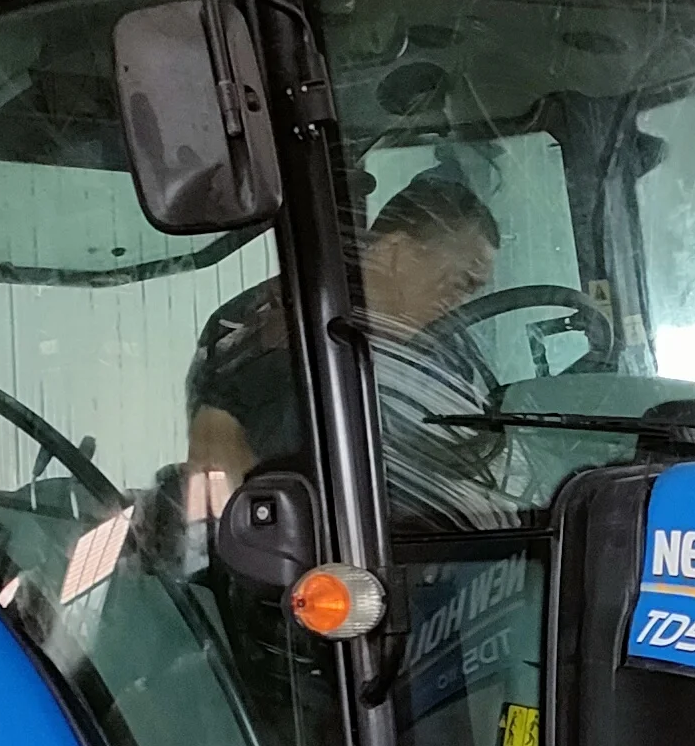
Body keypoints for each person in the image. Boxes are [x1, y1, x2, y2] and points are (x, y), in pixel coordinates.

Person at [180, 170, 503, 526]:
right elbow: (218, 457)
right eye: (459, 284)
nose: (458, 305)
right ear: (397, 252)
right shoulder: (277, 329)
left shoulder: (446, 343)